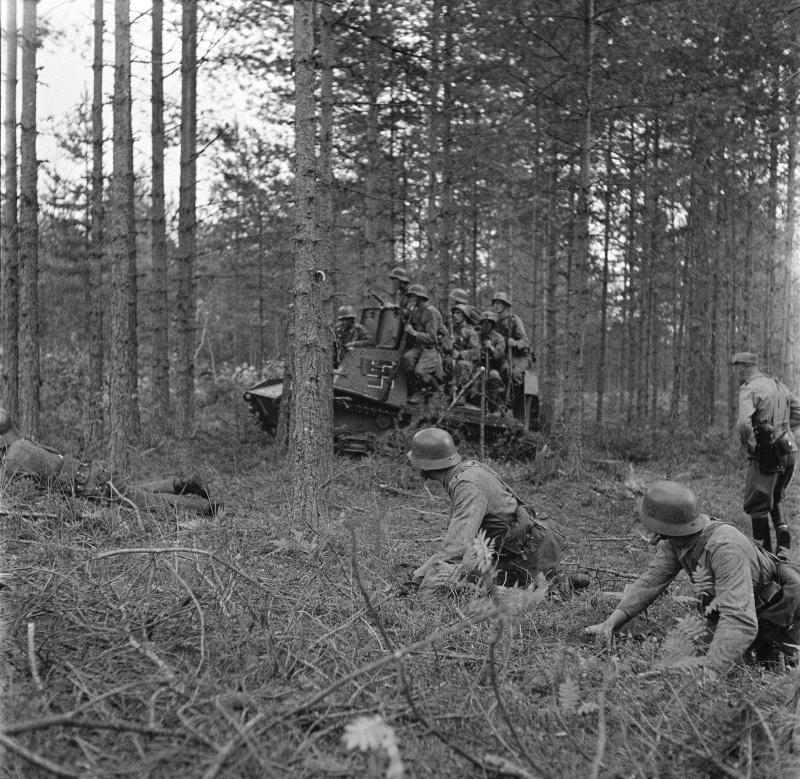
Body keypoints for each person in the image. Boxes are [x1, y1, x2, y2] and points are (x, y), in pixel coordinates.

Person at [585, 480, 800, 676]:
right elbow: (651, 581)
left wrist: (712, 672)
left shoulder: (725, 549)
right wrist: (611, 622)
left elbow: (740, 619)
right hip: (747, 612)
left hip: (779, 619)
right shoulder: (678, 539)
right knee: (681, 656)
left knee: (775, 668)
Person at [406, 428, 562, 590]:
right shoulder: (470, 469)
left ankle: (554, 583)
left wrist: (418, 583)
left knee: (464, 582)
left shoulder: (467, 487)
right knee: (465, 571)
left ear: (425, 466)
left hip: (530, 554)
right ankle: (553, 580)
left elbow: (454, 549)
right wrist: (420, 573)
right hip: (530, 544)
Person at [0, 408, 221, 516]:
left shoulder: (12, 460)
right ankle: (186, 483)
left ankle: (206, 508)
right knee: (136, 493)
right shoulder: (22, 444)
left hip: (91, 486)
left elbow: (25, 498)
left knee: (145, 503)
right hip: (93, 477)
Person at [732, 351, 800, 554]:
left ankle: (763, 554)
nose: (736, 374)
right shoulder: (778, 385)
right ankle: (783, 535)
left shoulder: (749, 389)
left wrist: (752, 445)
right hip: (789, 449)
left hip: (767, 453)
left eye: (737, 369)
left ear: (742, 368)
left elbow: (744, 424)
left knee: (757, 504)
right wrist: (786, 430)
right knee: (777, 495)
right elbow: (798, 411)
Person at [400, 285, 448, 403]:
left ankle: (438, 392)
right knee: (406, 359)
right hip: (419, 347)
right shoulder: (415, 311)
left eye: (412, 297)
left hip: (431, 348)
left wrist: (413, 332)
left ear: (419, 298)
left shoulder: (431, 312)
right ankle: (418, 391)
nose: (410, 299)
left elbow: (432, 338)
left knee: (420, 371)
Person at [491, 292, 533, 387]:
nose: (496, 306)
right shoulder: (495, 322)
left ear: (505, 305)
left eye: (499, 303)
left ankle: (516, 401)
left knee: (515, 374)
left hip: (520, 357)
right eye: (495, 303)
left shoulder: (514, 320)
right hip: (505, 356)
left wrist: (515, 343)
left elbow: (526, 342)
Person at [444, 303, 479, 398]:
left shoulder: (470, 331)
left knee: (462, 364)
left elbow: (476, 352)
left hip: (467, 366)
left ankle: (461, 395)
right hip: (450, 362)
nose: (455, 315)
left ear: (464, 315)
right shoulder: (451, 330)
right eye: (454, 313)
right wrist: (447, 345)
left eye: (458, 313)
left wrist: (460, 355)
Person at [476, 310, 508, 411]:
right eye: (483, 323)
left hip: (492, 367)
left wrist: (491, 348)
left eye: (489, 323)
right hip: (477, 366)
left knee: (494, 377)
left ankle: (495, 406)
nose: (486, 325)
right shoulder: (476, 335)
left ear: (493, 324)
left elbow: (500, 357)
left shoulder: (499, 338)